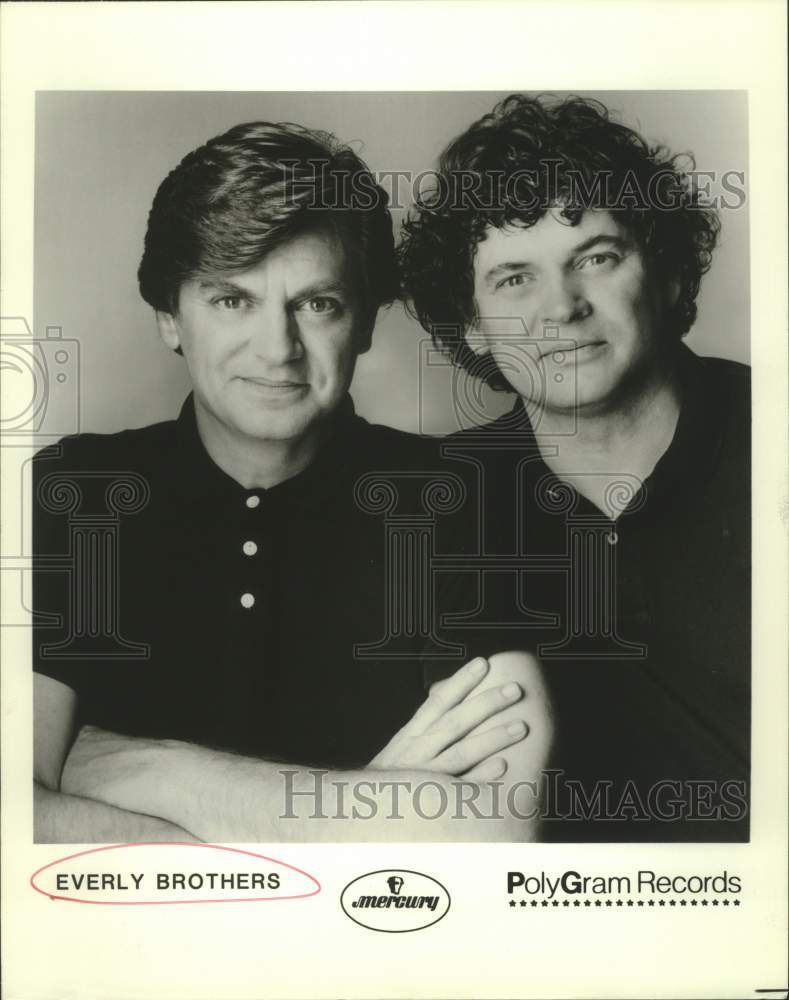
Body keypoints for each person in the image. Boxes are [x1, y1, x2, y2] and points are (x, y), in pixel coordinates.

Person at [33, 120, 552, 844]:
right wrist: (364, 812)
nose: (277, 349)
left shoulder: (457, 495)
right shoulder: (74, 490)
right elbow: (14, 823)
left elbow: (497, 834)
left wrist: (151, 770)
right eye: (231, 301)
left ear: (365, 324)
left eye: (317, 304)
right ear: (167, 318)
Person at [399, 94, 750, 841]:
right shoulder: (441, 500)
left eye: (596, 257)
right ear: (472, 328)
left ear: (666, 276)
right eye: (513, 279)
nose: (560, 308)